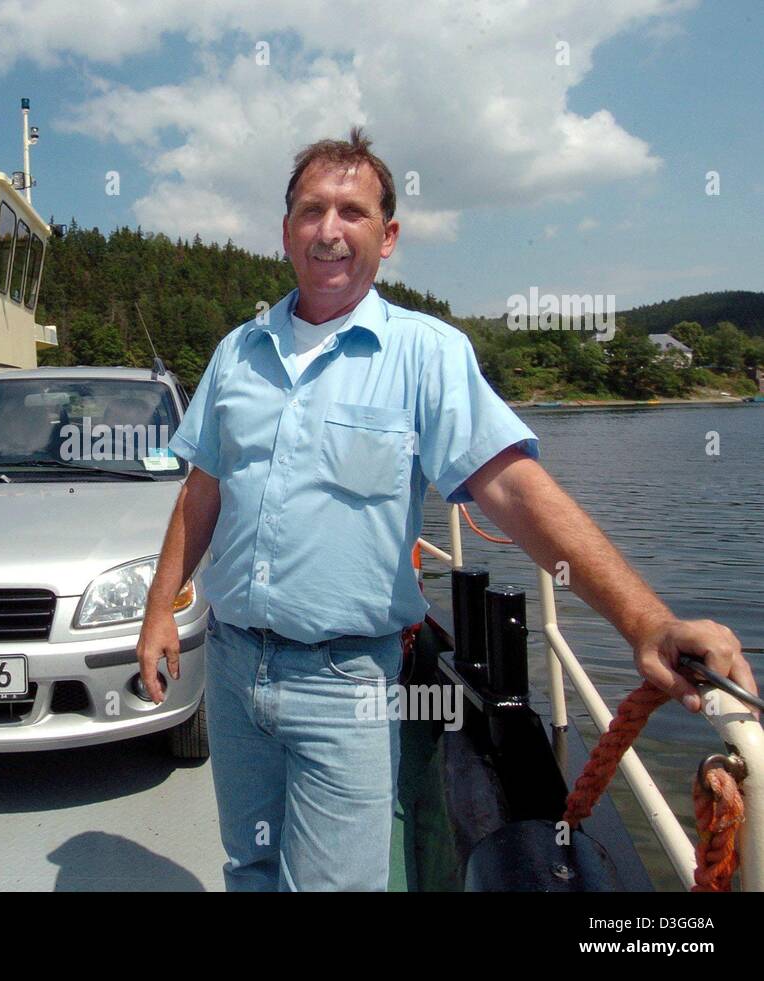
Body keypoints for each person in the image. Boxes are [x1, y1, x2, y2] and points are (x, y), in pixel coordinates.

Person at [135, 128, 758, 892]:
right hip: (232, 662)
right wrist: (160, 609)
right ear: (286, 229)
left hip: (344, 678)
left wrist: (647, 622)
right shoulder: (238, 352)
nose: (329, 230)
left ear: (388, 235)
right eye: (310, 210)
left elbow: (515, 489)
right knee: (250, 863)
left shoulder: (426, 355)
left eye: (352, 212)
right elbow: (201, 490)